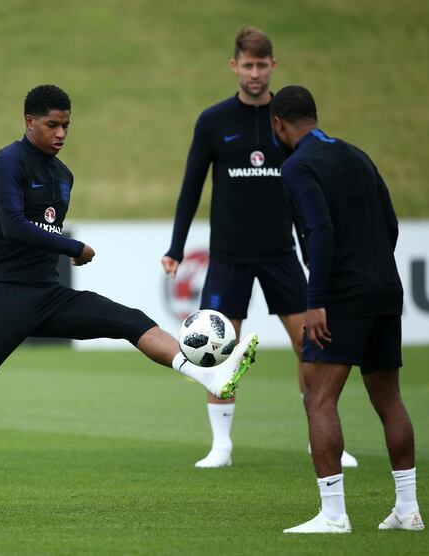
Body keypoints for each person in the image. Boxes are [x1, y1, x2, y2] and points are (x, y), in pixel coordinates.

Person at [0, 84, 259, 510]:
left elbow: (42, 233)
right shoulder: (7, 162)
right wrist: (73, 248)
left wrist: (63, 250)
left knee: (131, 320)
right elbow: (13, 225)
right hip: (3, 300)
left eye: (66, 126)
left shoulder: (63, 176)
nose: (61, 134)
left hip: (49, 296)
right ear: (29, 122)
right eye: (52, 125)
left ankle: (208, 376)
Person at [161, 27, 358, 468]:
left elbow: (309, 197)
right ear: (235, 66)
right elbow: (191, 188)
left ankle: (322, 439)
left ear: (273, 66)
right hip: (228, 256)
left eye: (261, 64)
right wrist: (176, 247)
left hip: (281, 255)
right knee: (219, 350)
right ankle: (221, 446)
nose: (254, 72)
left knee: (312, 344)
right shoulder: (213, 121)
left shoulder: (287, 122)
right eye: (246, 64)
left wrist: (313, 255)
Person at [272, 85, 423, 534]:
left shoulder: (297, 166)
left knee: (319, 399)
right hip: (385, 290)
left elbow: (319, 231)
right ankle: (407, 509)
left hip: (340, 296)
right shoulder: (358, 155)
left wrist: (315, 300)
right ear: (314, 116)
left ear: (278, 124)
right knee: (389, 398)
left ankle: (334, 515)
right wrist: (374, 269)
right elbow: (390, 223)